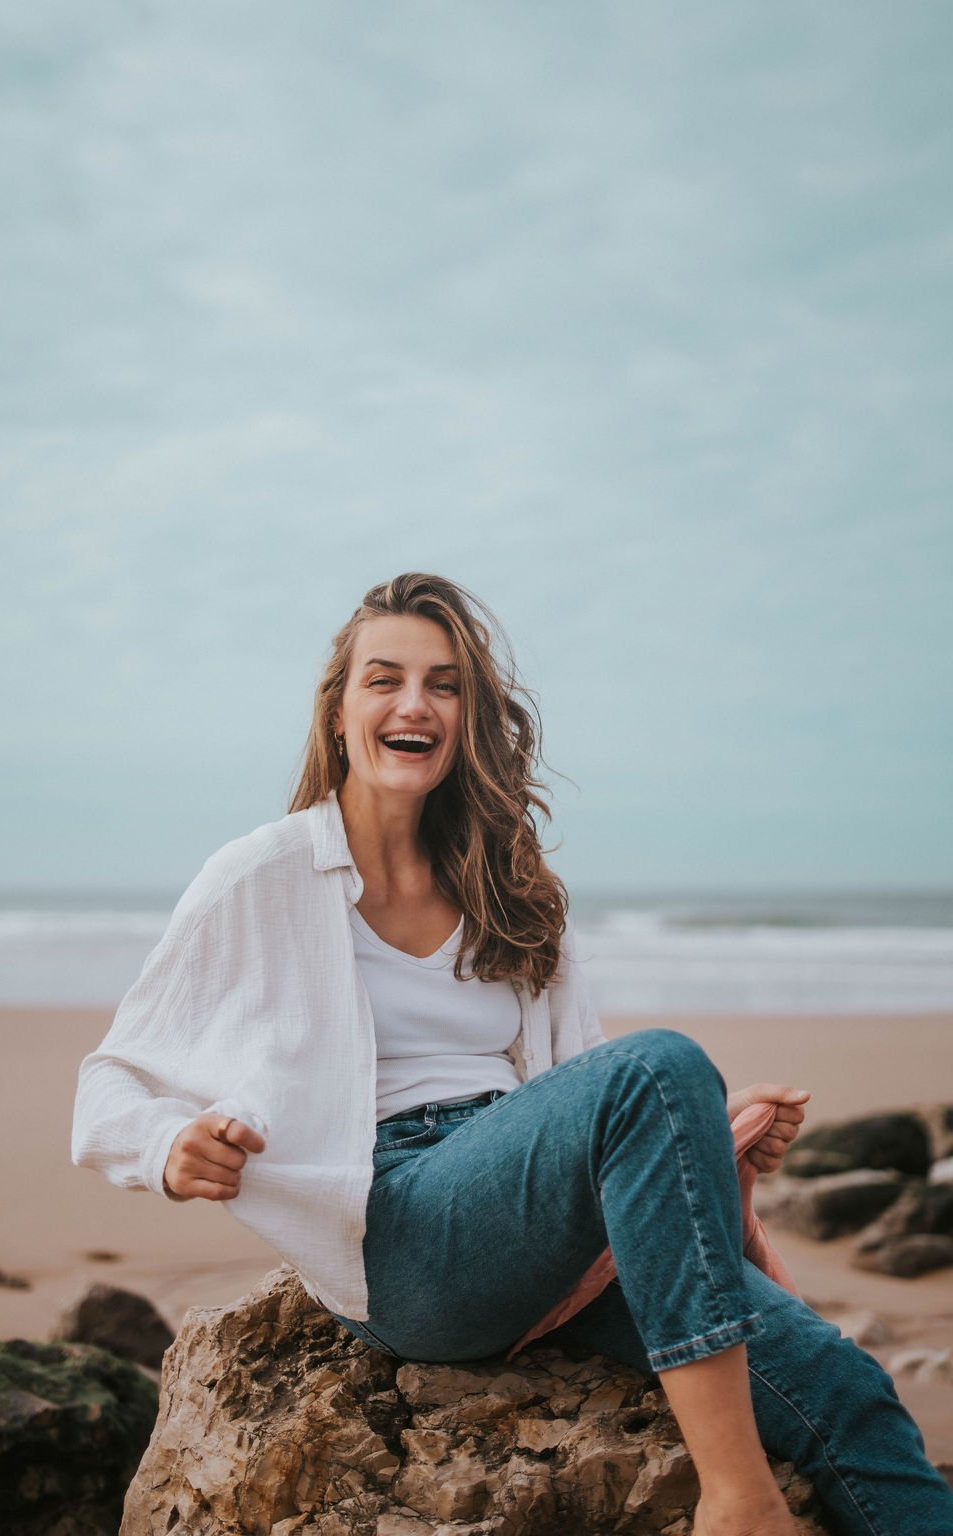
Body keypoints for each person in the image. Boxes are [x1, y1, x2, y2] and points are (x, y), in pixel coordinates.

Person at [72, 572, 953, 1536]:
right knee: (659, 1069)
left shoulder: (516, 887)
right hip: (401, 1238)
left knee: (848, 1390)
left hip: (544, 1229)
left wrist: (700, 1130)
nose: (415, 704)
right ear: (337, 713)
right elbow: (110, 1085)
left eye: (444, 684)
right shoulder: (263, 875)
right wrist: (169, 1148)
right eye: (385, 679)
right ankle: (737, 1500)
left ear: (470, 716)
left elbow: (588, 1087)